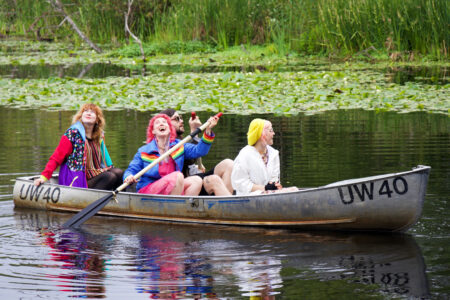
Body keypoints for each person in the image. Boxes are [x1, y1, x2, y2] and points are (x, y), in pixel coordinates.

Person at [123, 113, 219, 195]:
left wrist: (208, 130)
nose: (161, 123)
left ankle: (184, 209)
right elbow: (131, 170)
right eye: (157, 123)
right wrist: (128, 177)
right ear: (153, 131)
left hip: (173, 187)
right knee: (178, 176)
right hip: (149, 190)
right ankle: (175, 208)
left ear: (169, 129)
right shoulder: (144, 151)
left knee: (196, 181)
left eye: (164, 122)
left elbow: (200, 151)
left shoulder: (178, 146)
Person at [34, 103, 123, 190]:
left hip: (93, 174)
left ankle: (120, 201)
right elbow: (56, 158)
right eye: (85, 111)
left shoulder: (99, 137)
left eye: (92, 112)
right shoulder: (72, 134)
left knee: (118, 173)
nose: (88, 113)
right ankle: (93, 201)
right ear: (81, 116)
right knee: (109, 176)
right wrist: (44, 177)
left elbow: (108, 163)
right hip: (75, 179)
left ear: (97, 119)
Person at [160, 109, 233, 196]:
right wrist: (194, 130)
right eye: (177, 119)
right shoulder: (153, 146)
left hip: (191, 181)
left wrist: (207, 130)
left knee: (229, 164)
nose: (182, 121)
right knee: (214, 180)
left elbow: (199, 151)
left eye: (181, 118)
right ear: (165, 124)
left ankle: (226, 199)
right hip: (184, 185)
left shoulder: (178, 144)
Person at [231, 118, 296, 195]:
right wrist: (265, 188)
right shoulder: (245, 154)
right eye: (270, 130)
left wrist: (274, 186)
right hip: (248, 196)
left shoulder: (274, 154)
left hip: (268, 194)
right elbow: (239, 184)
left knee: (294, 189)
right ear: (262, 134)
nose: (274, 133)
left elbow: (274, 180)